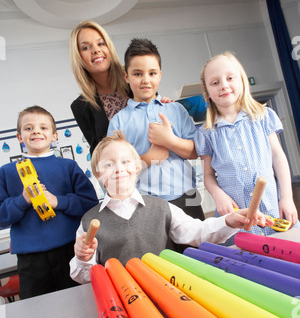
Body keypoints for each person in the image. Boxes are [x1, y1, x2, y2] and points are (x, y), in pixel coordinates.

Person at [69, 131, 272, 284]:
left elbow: (198, 232)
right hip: (124, 303)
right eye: (108, 165)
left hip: (168, 291)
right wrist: (82, 258)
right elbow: (82, 276)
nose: (119, 168)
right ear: (97, 174)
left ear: (137, 167)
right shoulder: (88, 221)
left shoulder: (162, 207)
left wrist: (228, 220)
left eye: (125, 161)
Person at [194, 51, 299, 236]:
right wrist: (219, 195)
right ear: (207, 91)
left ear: (241, 80)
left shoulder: (263, 117)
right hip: (236, 219)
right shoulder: (206, 134)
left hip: (274, 212)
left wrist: (287, 197)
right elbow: (208, 175)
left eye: (230, 78)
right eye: (215, 82)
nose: (224, 85)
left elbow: (278, 157)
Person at [0, 106, 99, 299]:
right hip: (30, 258)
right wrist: (22, 201)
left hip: (69, 249)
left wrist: (58, 201)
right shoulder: (6, 172)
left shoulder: (68, 166)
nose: (36, 131)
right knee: (36, 311)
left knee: (78, 302)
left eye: (43, 128)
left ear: (54, 136)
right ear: (20, 137)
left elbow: (90, 205)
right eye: (28, 128)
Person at [107, 38, 204, 220]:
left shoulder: (175, 109)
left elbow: (196, 151)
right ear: (126, 76)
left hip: (186, 197)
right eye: (137, 74)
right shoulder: (118, 122)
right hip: (144, 204)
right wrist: (148, 158)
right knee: (157, 250)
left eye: (152, 73)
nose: (146, 80)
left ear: (160, 75)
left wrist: (170, 141)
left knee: (197, 248)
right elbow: (114, 170)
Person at [69, 21, 172, 155]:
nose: (96, 50)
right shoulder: (80, 107)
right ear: (78, 57)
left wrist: (166, 105)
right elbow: (98, 155)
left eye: (101, 43)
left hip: (159, 163)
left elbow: (158, 118)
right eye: (85, 48)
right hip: (123, 172)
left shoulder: (136, 79)